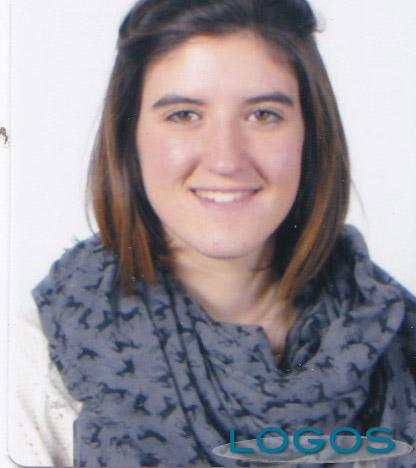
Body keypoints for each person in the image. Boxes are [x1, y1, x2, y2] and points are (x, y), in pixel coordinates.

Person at [15, 0, 416, 466]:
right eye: (184, 115)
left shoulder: (397, 335)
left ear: (311, 133)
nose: (225, 159)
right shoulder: (32, 359)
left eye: (262, 114)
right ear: (129, 136)